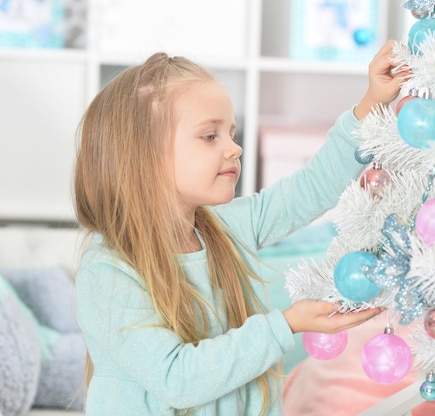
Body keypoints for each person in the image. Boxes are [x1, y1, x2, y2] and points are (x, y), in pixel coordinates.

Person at [72, 39, 406, 415]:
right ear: (142, 157)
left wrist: (372, 103)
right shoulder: (108, 270)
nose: (234, 148)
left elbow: (310, 189)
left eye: (231, 133)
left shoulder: (224, 228)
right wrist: (285, 325)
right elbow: (176, 378)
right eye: (210, 136)